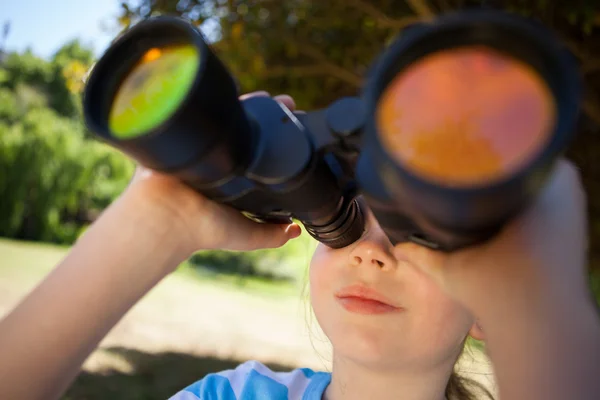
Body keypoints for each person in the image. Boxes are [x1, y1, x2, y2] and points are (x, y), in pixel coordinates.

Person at [0, 92, 598, 400]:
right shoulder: (234, 397)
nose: (370, 249)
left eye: (425, 232)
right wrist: (150, 226)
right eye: (348, 213)